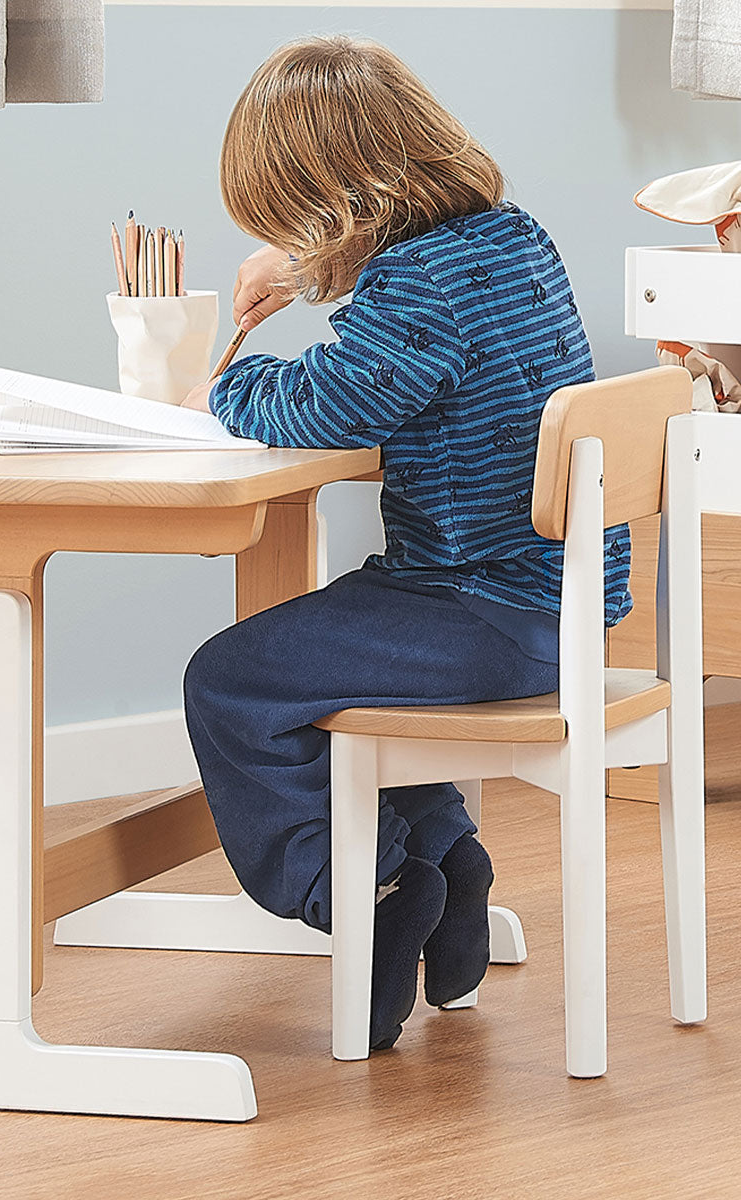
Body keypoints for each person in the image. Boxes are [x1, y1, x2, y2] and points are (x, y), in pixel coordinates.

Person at [180, 35, 630, 1051]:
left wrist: (221, 386)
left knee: (236, 681)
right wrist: (311, 270)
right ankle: (445, 856)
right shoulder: (513, 238)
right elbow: (417, 362)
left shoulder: (412, 288)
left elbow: (328, 400)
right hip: (561, 604)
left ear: (330, 198)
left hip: (489, 612)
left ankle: (372, 891)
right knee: (329, 659)